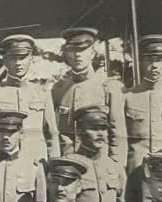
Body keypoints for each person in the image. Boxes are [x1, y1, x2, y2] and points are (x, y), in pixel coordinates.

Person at [0, 34, 58, 163]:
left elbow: (52, 134)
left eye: (23, 57)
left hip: (35, 163)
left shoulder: (42, 93)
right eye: (13, 58)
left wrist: (53, 164)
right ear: (5, 60)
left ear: (31, 58)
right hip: (1, 163)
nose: (18, 63)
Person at [51, 27, 126, 162]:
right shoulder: (58, 89)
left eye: (82, 50)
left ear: (92, 53)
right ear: (67, 54)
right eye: (72, 50)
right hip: (68, 163)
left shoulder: (109, 87)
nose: (77, 55)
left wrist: (116, 166)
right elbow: (54, 132)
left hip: (99, 163)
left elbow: (118, 134)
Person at [122, 34, 162, 173]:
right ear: (140, 62)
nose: (154, 65)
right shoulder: (127, 97)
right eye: (149, 59)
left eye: (160, 60)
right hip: (136, 171)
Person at [71, 105, 126, 202]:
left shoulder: (115, 166)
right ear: (79, 131)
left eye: (103, 129)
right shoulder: (71, 165)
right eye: (94, 129)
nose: (100, 134)